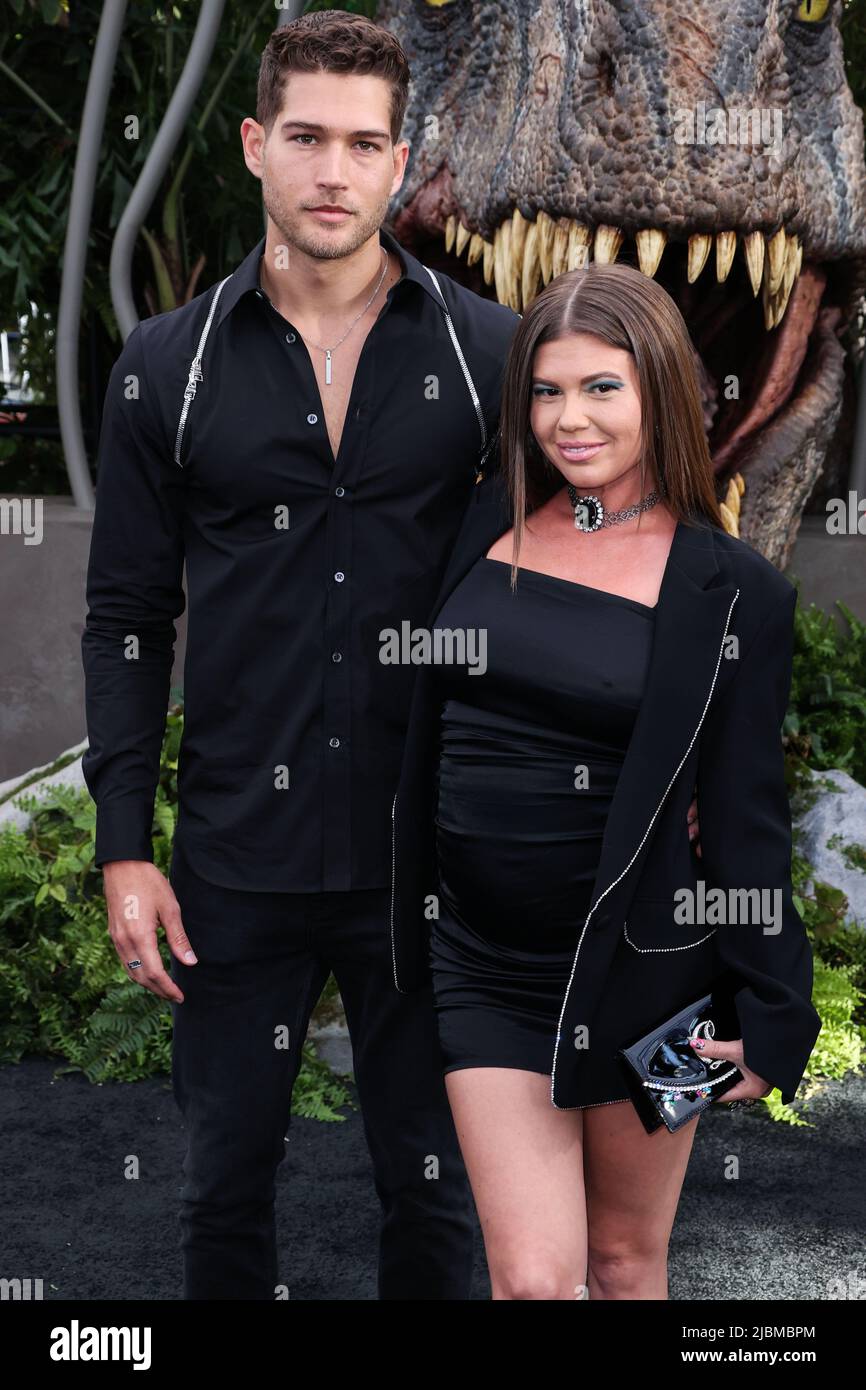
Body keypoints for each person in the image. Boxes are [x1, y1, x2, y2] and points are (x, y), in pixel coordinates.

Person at [80, 11, 519, 1301]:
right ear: (254, 146)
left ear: (401, 162)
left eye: (365, 143)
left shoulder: (486, 354)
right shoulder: (170, 365)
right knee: (224, 1191)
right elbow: (124, 615)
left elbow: (546, 598)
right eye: (309, 138)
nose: (335, 172)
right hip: (237, 860)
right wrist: (124, 843)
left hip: (425, 853)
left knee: (436, 1199)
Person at [389, 261, 823, 1301]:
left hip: (652, 980)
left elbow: (742, 820)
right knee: (534, 1280)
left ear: (659, 393)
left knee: (625, 1265)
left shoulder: (730, 592)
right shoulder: (479, 519)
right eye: (544, 390)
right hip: (482, 962)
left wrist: (772, 1007)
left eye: (599, 388)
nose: (566, 418)